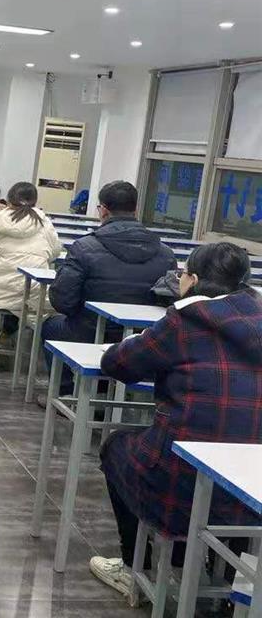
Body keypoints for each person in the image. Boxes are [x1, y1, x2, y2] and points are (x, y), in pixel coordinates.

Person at [90, 243, 262, 597]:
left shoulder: (184, 320)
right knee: (237, 461)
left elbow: (119, 364)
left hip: (182, 483)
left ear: (193, 280)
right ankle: (236, 591)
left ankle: (134, 568)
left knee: (117, 447)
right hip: (251, 485)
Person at [41, 180, 176, 395]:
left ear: (103, 210)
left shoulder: (83, 247)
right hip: (142, 338)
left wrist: (80, 313)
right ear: (135, 209)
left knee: (50, 326)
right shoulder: (166, 253)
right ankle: (107, 393)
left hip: (88, 331)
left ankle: (64, 393)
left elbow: (62, 300)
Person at [0, 182, 61, 363]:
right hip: (34, 288)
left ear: (8, 200)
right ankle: (5, 335)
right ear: (35, 200)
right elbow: (55, 251)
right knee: (20, 303)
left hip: (0, 285)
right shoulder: (44, 222)